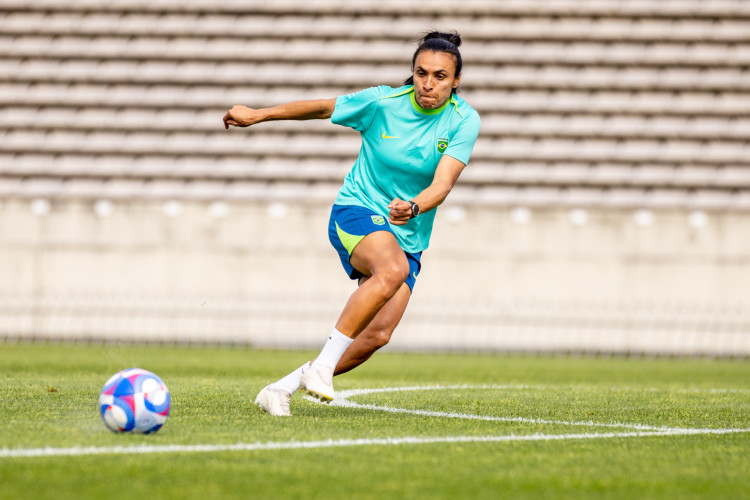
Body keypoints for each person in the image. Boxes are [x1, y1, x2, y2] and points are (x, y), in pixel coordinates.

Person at [223, 30, 481, 416]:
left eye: (440, 76)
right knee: (391, 269)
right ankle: (323, 368)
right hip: (357, 210)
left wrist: (412, 207)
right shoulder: (382, 102)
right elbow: (323, 107)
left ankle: (282, 387)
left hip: (407, 227)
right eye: (422, 73)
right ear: (412, 73)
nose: (429, 84)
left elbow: (442, 185)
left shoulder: (464, 120)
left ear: (456, 80)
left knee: (378, 334)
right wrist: (259, 115)